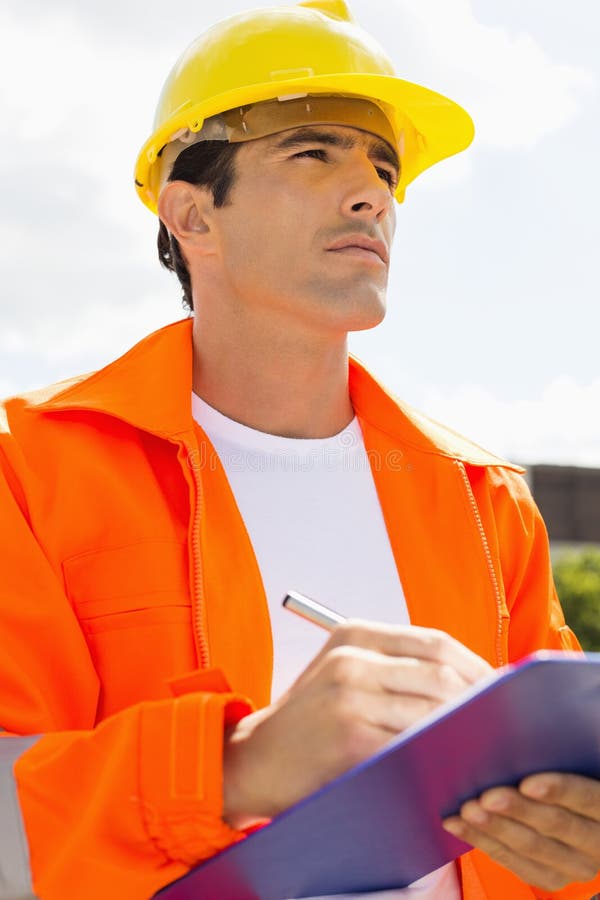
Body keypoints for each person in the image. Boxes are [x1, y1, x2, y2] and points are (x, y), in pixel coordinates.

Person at [0, 2, 599, 898]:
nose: (373, 194)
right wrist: (236, 768)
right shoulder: (29, 473)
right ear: (192, 216)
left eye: (384, 167)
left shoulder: (482, 498)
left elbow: (554, 817)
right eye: (314, 152)